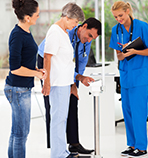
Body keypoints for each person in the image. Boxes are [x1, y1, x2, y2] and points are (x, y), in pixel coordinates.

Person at [38, 17, 101, 154]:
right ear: (83, 26)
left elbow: (81, 64)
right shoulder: (66, 32)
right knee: (54, 106)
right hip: (47, 61)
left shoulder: (86, 42)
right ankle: (56, 147)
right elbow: (59, 61)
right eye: (89, 35)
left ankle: (73, 144)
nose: (89, 40)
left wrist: (77, 82)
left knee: (72, 101)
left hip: (69, 69)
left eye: (93, 39)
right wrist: (72, 81)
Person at [109, 0, 148, 158]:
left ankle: (141, 147)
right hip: (126, 75)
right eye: (116, 17)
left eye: (120, 15)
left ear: (128, 10)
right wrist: (123, 53)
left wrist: (134, 50)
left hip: (140, 76)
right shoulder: (116, 29)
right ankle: (132, 145)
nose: (118, 19)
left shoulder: (141, 26)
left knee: (138, 111)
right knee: (127, 111)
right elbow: (118, 55)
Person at [4, 0, 46, 158]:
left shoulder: (25, 32)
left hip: (21, 87)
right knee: (21, 134)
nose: (38, 17)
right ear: (27, 17)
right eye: (37, 14)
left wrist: (36, 69)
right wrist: (36, 74)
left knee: (16, 133)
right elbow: (15, 68)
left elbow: (23, 61)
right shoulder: (17, 35)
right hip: (18, 89)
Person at [41, 3, 85, 158]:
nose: (75, 25)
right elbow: (47, 56)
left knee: (61, 119)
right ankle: (58, 155)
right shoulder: (54, 31)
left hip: (64, 83)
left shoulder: (63, 32)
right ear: (67, 17)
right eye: (75, 22)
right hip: (57, 83)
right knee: (58, 119)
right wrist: (46, 82)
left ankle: (62, 152)